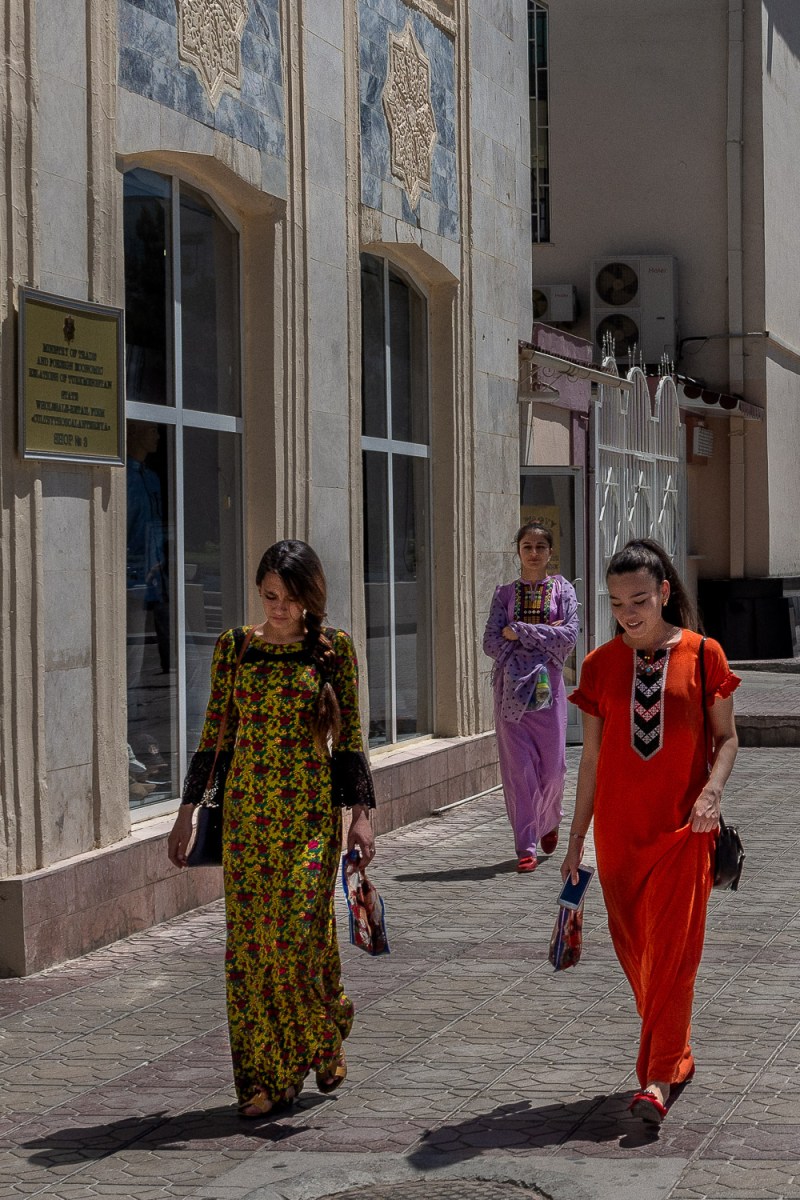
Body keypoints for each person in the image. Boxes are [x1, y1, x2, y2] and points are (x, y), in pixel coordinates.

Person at [167, 540, 376, 1118]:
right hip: (245, 819)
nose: (278, 608)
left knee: (295, 934)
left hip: (309, 816)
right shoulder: (235, 648)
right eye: (269, 597)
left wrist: (361, 817)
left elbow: (351, 740)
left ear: (310, 597)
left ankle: (324, 1024)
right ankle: (263, 1079)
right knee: (252, 950)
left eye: (288, 598)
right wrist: (184, 813)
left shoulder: (334, 651)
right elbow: (214, 735)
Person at [563, 538, 740, 1128]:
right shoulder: (598, 665)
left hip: (685, 829)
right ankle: (676, 1052)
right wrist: (575, 837)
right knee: (639, 957)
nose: (628, 612)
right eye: (616, 603)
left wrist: (712, 791)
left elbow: (728, 738)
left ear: (664, 592)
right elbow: (589, 759)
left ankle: (656, 1079)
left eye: (639, 599)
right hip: (618, 837)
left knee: (672, 957)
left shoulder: (702, 654)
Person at [483, 521, 579, 872]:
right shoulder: (504, 594)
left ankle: (550, 819)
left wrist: (520, 630)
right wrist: (542, 633)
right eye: (527, 546)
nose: (534, 552)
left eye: (540, 546)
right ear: (518, 550)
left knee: (553, 769)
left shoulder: (562, 589)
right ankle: (526, 844)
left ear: (550, 552)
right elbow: (491, 642)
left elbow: (568, 635)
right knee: (519, 771)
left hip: (548, 691)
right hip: (511, 693)